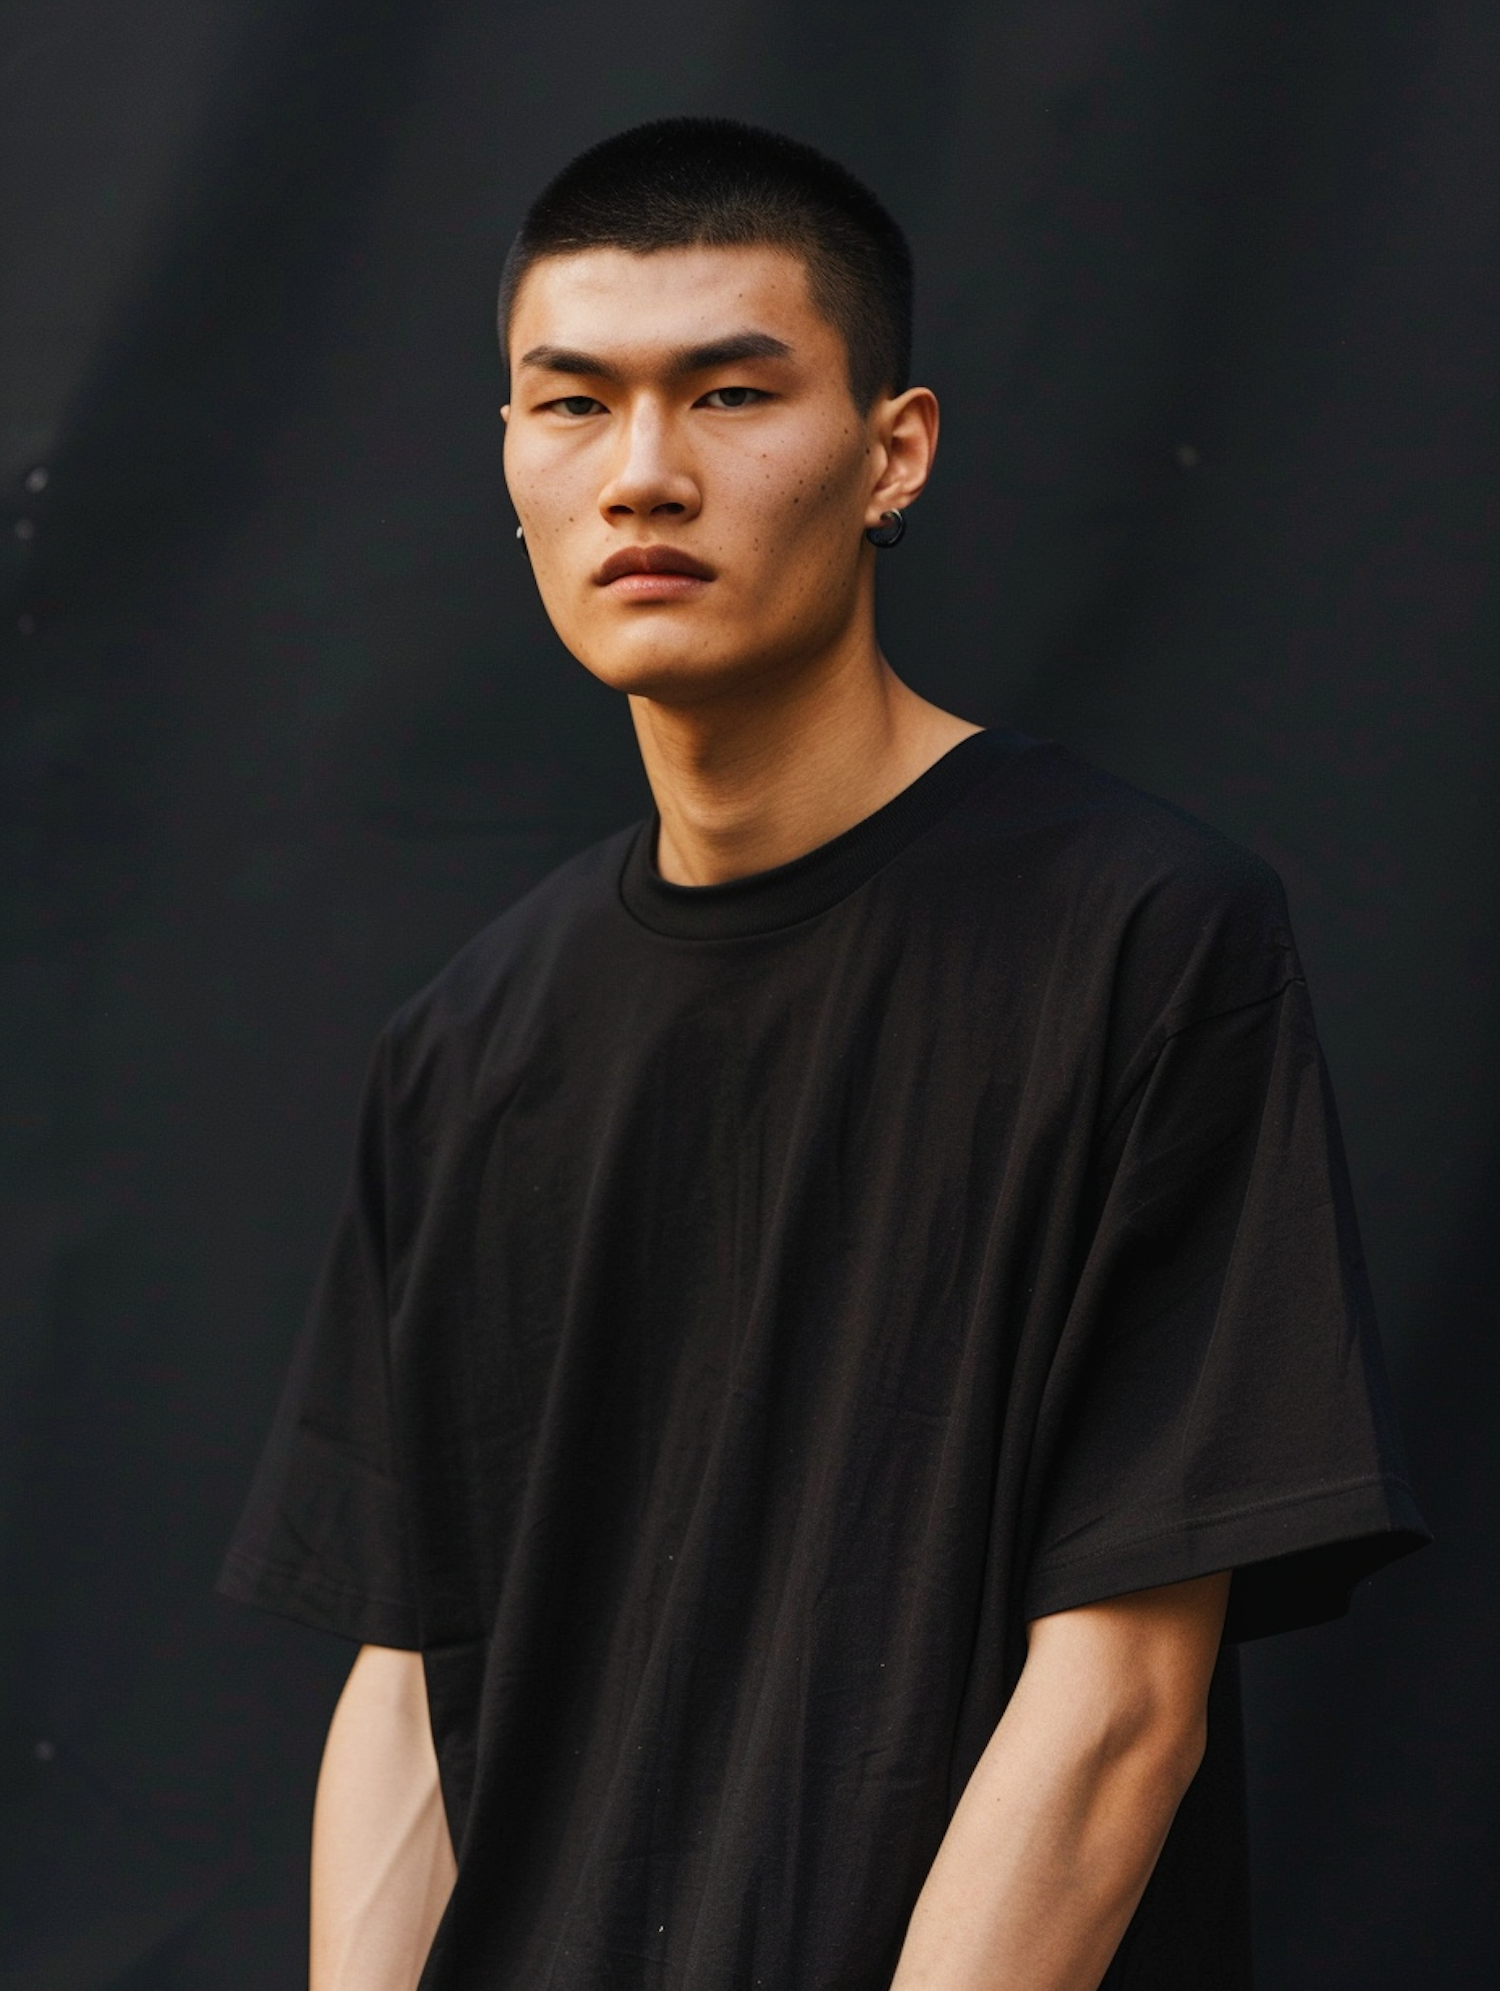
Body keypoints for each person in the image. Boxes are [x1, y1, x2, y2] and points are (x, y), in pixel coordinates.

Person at [220, 118, 1426, 1991]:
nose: (644, 475)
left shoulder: (1142, 938)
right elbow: (410, 1691)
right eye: (574, 404)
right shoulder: (465, 1049)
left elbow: (1118, 1702)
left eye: (727, 393)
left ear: (893, 453)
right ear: (512, 466)